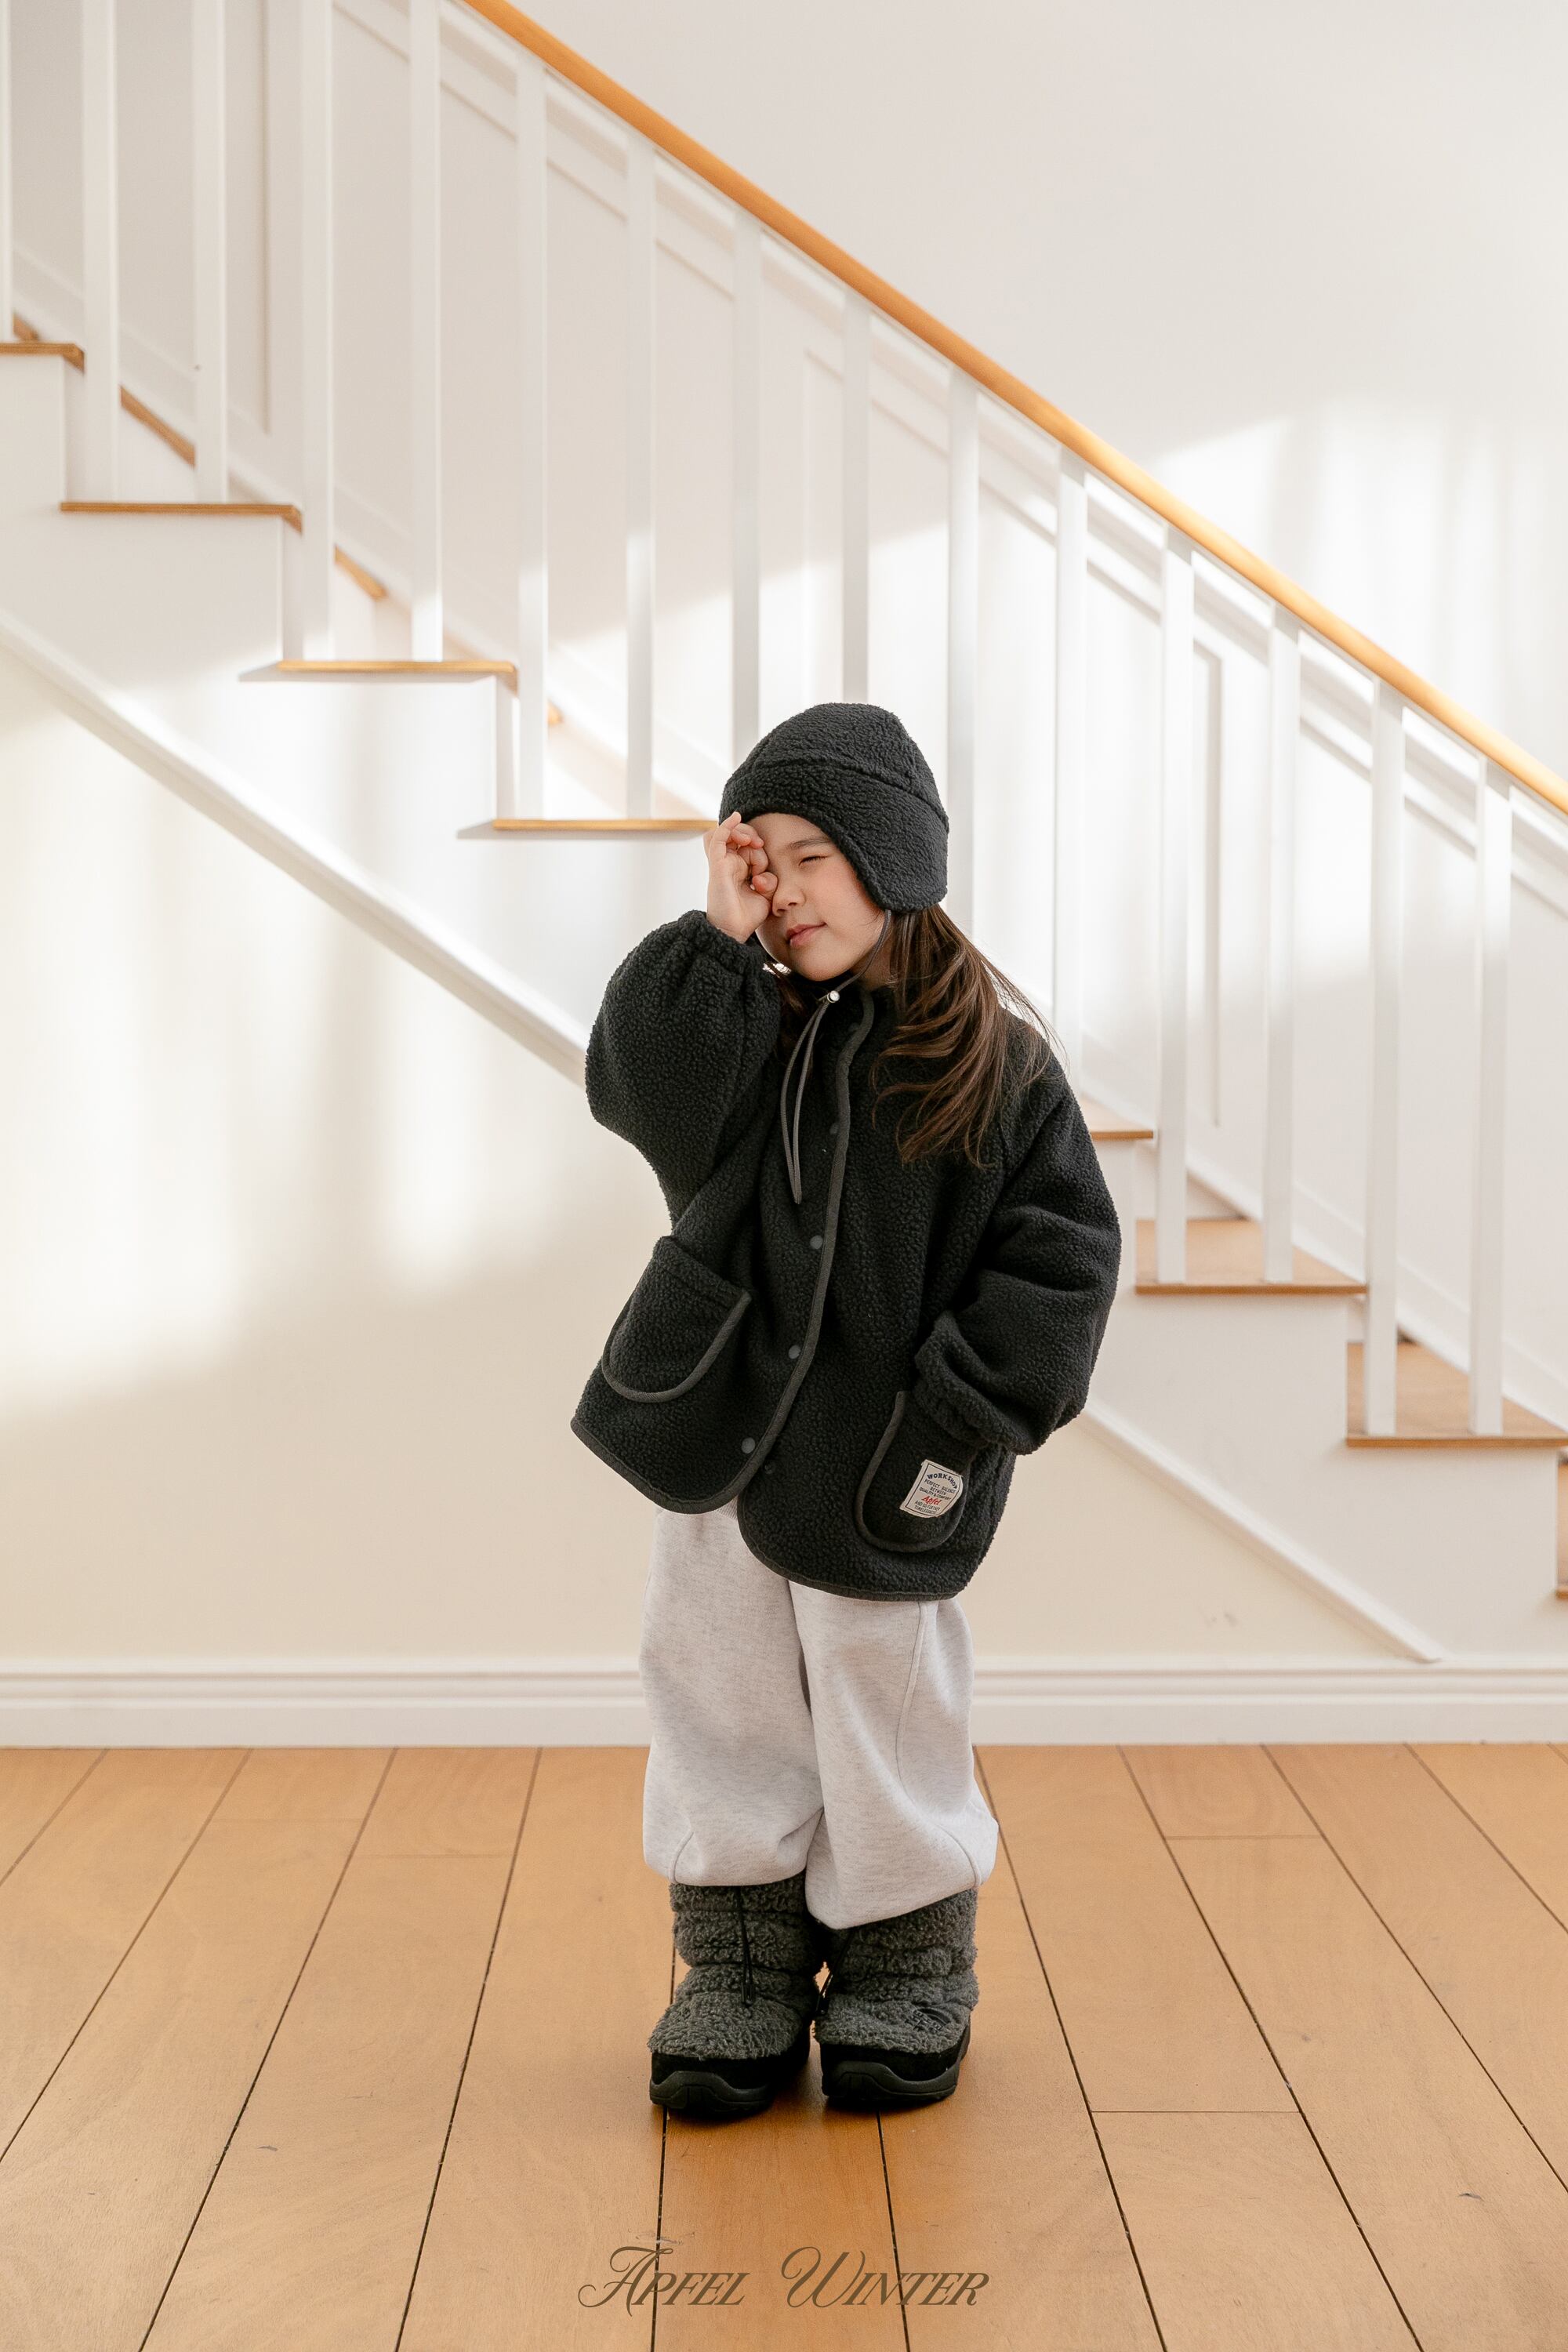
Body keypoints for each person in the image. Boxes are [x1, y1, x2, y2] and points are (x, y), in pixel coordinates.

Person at [571, 700, 1123, 2121]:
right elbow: (636, 1086)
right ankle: (741, 1965)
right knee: (716, 1692)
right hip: (720, 1445)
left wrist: (959, 1412)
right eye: (765, 861)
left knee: (884, 1703)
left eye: (813, 857)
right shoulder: (741, 1031)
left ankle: (905, 1956)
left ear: (892, 859)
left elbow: (1062, 1260)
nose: (789, 892)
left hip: (888, 1461)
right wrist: (716, 929)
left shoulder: (993, 1065)